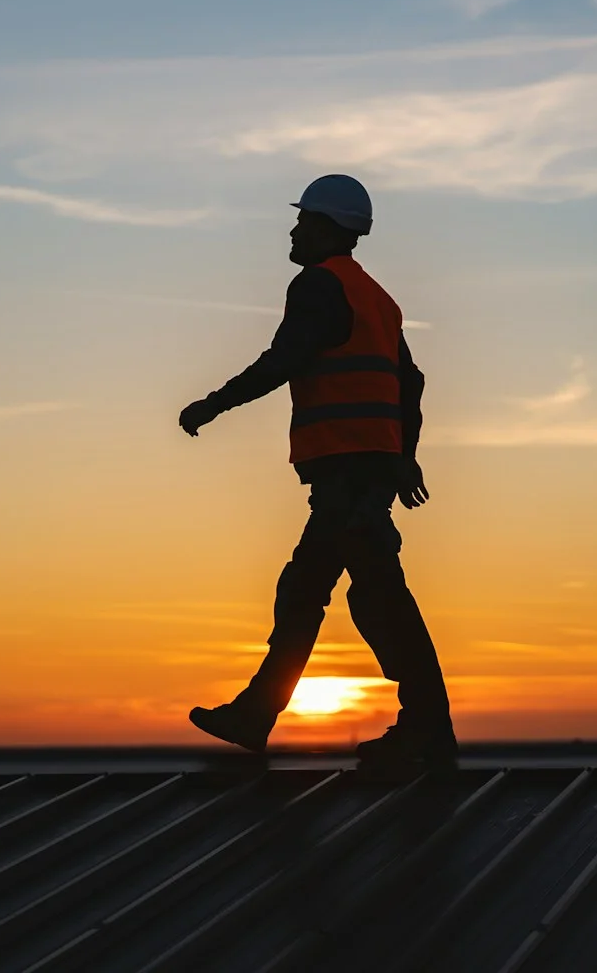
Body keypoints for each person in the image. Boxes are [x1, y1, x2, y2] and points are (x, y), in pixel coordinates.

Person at [178, 174, 456, 777]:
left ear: (328, 229)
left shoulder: (319, 287)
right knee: (324, 592)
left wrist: (212, 405)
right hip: (365, 469)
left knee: (369, 598)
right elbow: (411, 382)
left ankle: (427, 730)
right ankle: (260, 715)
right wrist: (402, 455)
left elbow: (284, 360)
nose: (294, 230)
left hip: (348, 473)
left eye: (303, 221)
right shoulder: (376, 297)